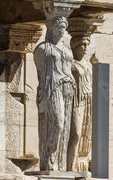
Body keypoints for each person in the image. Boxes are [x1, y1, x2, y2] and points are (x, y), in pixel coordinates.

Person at [34, 15, 75, 172]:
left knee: (66, 127)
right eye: (59, 27)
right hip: (52, 90)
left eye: (64, 28)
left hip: (68, 89)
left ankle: (60, 162)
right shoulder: (43, 49)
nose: (62, 31)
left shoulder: (66, 48)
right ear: (51, 28)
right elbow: (41, 74)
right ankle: (49, 156)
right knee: (57, 123)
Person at [67, 35, 92, 172]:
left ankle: (80, 165)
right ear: (75, 45)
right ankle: (69, 166)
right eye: (83, 44)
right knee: (75, 133)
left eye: (87, 45)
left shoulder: (87, 64)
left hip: (88, 100)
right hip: (75, 100)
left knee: (85, 134)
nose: (85, 48)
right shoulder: (70, 63)